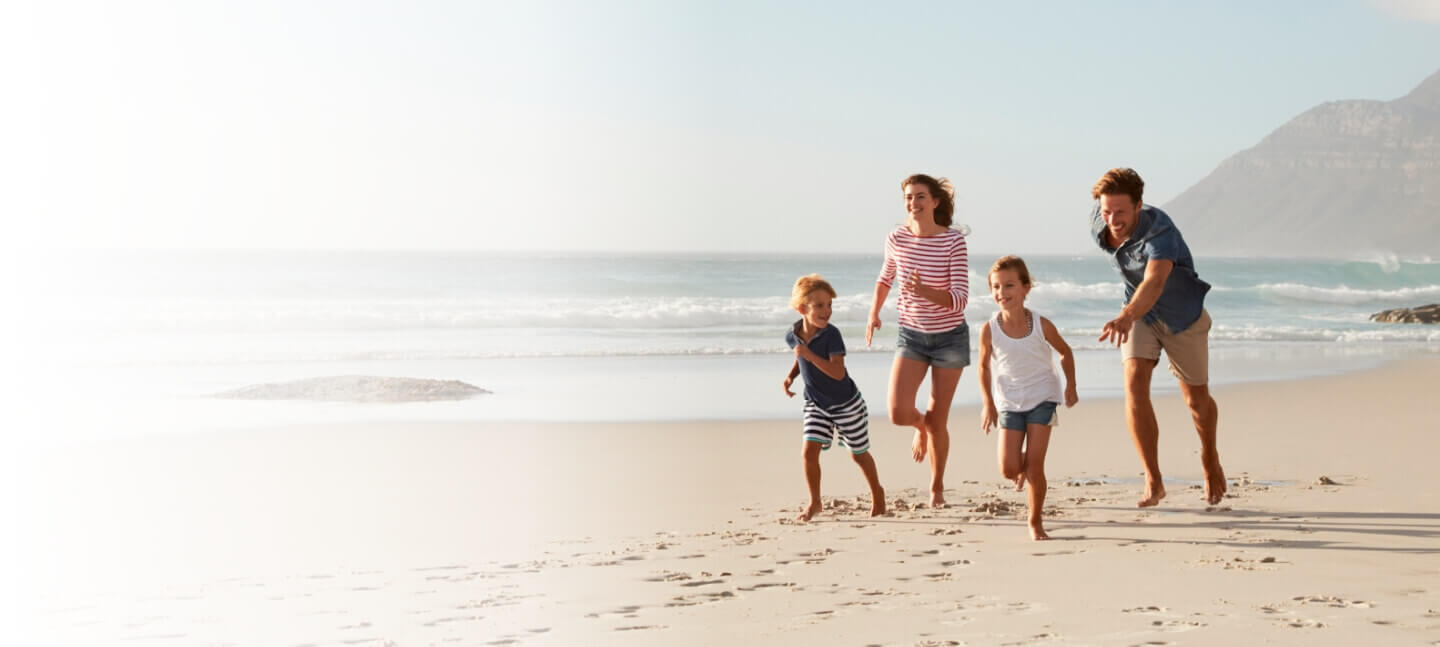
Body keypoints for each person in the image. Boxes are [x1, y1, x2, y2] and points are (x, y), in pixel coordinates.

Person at [1090, 167, 1225, 508]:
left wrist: (1124, 316)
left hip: (1182, 316)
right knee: (1134, 384)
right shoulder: (1100, 222)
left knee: (1196, 401)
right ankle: (1153, 477)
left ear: (1139, 206)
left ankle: (1209, 457)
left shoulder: (1160, 231)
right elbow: (1139, 288)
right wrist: (1130, 314)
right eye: (1106, 211)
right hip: (1140, 314)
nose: (1112, 219)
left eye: (1121, 212)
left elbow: (1154, 281)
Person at [866, 174, 970, 508]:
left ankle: (936, 487)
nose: (914, 203)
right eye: (909, 198)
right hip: (911, 334)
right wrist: (874, 313)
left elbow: (959, 299)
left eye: (920, 197)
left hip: (949, 338)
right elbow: (886, 277)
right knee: (898, 412)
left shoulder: (953, 242)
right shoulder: (896, 238)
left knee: (939, 418)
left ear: (935, 202)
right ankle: (919, 426)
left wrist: (924, 291)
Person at [977, 256, 1078, 540]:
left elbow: (1065, 352)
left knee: (1035, 466)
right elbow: (983, 366)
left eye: (1008, 285)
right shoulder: (990, 329)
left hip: (1042, 397)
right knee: (1009, 468)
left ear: (1025, 288)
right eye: (996, 287)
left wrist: (1071, 386)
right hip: (1009, 401)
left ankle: (1035, 522)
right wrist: (988, 404)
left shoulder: (1041, 324)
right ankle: (1022, 465)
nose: (1001, 293)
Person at [784, 274, 886, 522]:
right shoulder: (793, 334)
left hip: (846, 404)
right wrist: (791, 376)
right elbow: (801, 358)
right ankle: (815, 502)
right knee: (809, 451)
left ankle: (878, 493)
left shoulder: (832, 335)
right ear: (801, 308)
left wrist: (808, 355)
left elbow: (838, 372)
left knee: (858, 453)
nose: (826, 311)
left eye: (829, 305)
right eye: (819, 305)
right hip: (816, 403)